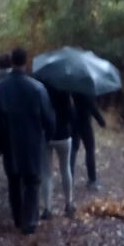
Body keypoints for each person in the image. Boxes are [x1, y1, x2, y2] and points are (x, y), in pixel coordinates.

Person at [0, 47, 55, 234]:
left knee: (13, 181)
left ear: (12, 62)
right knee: (32, 181)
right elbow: (48, 118)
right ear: (26, 62)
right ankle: (30, 221)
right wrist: (48, 136)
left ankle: (17, 218)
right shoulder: (37, 89)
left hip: (9, 142)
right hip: (32, 143)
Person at [36, 78, 76, 219]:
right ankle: (69, 204)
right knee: (65, 169)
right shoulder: (65, 91)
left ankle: (47, 208)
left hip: (47, 136)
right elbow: (71, 115)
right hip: (64, 135)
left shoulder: (42, 91)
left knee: (46, 173)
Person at [70, 91, 106, 189]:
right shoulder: (87, 91)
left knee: (73, 150)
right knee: (90, 151)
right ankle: (92, 179)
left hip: (75, 122)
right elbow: (92, 107)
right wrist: (101, 121)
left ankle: (70, 178)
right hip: (85, 123)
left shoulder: (74, 88)